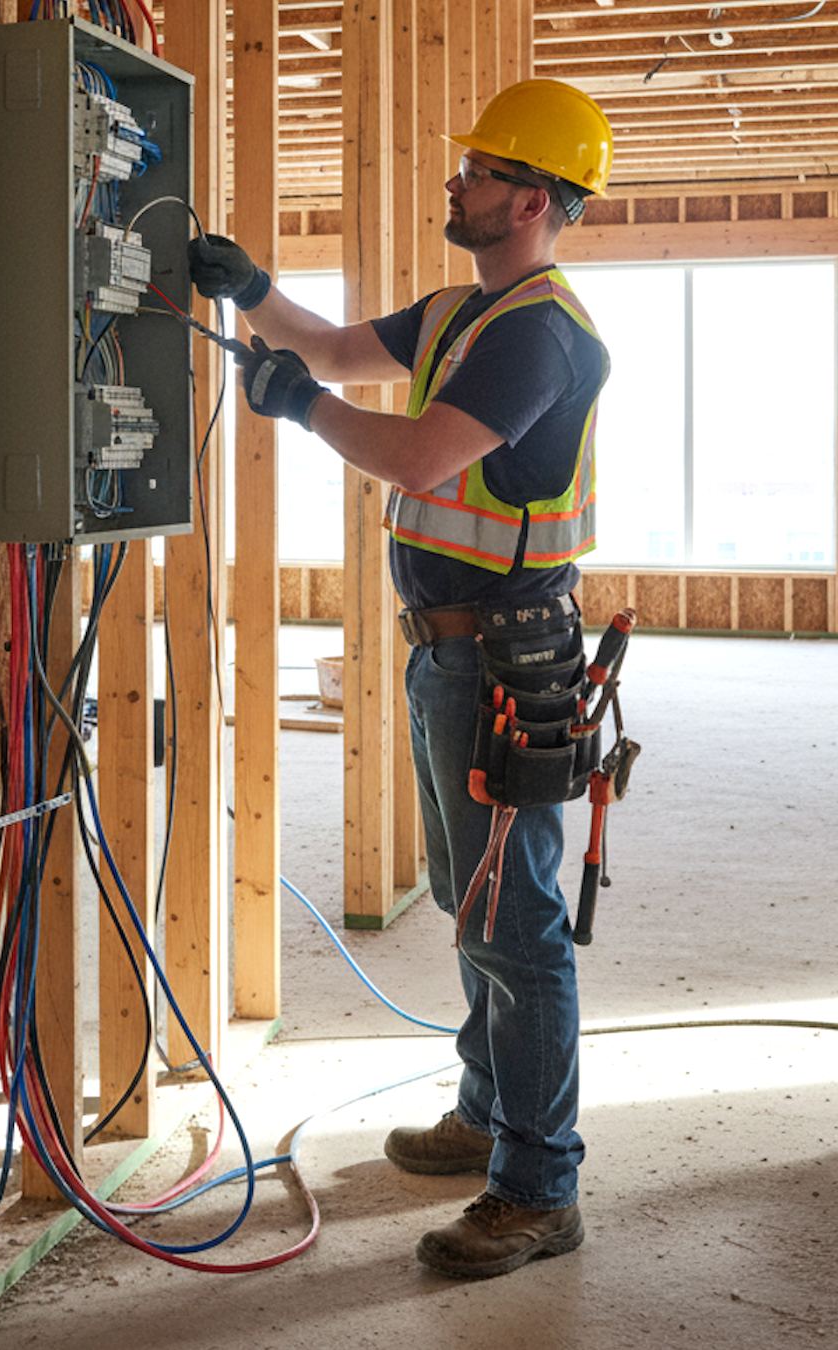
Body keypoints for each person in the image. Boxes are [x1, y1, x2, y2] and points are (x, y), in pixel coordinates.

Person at [188, 79, 614, 1279]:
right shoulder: (460, 315)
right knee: (473, 901)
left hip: (502, 657)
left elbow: (421, 458)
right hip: (451, 654)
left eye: (481, 170)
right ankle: (488, 1111)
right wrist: (249, 287)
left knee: (515, 922)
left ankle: (538, 1186)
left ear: (531, 202)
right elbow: (327, 348)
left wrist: (304, 408)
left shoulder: (541, 333)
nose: (456, 181)